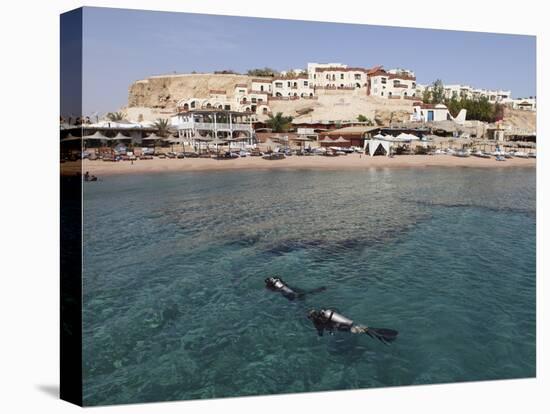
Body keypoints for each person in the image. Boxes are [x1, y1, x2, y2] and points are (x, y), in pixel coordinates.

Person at [307, 308, 398, 344]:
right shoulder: (324, 314)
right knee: (362, 329)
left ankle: (383, 336)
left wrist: (319, 336)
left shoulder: (316, 322)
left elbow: (320, 331)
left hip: (341, 327)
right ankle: (381, 335)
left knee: (362, 330)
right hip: (343, 324)